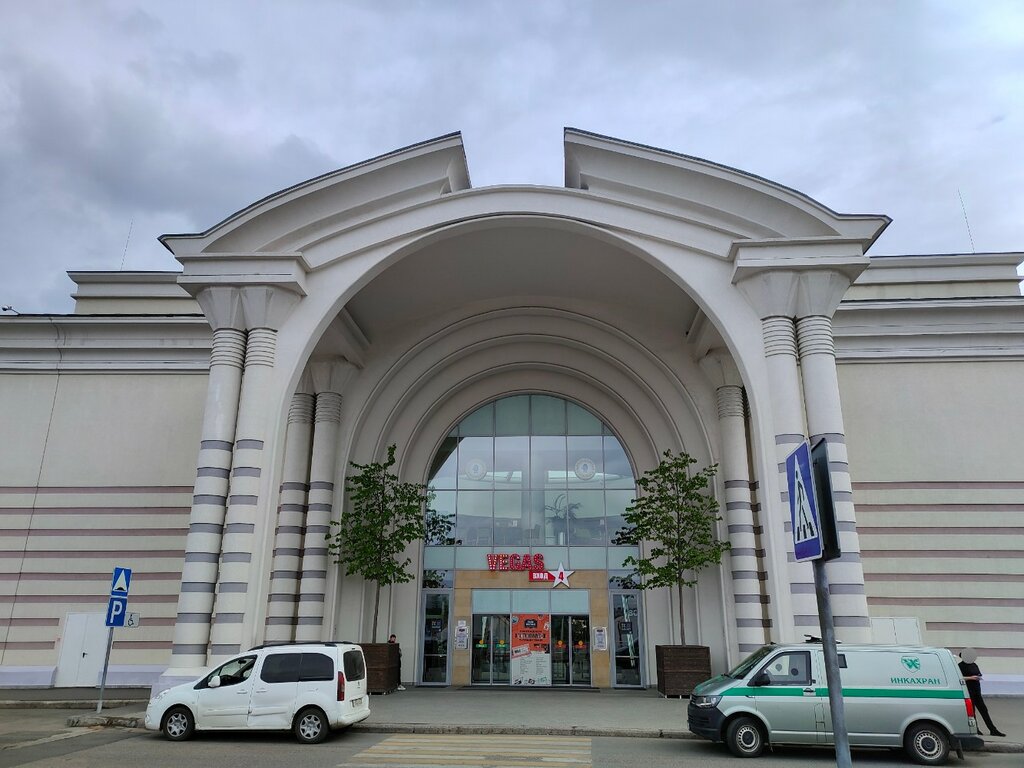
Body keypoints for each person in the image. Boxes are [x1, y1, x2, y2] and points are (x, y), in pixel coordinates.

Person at [959, 647, 1005, 737]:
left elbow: (978, 673)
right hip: (968, 690)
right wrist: (971, 678)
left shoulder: (974, 665)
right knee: (972, 711)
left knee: (984, 710)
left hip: (977, 690)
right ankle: (976, 729)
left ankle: (993, 729)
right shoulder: (960, 666)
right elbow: (960, 677)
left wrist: (979, 676)